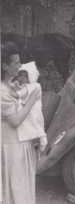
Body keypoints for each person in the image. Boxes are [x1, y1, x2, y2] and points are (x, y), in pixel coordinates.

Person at [1, 41, 41, 204]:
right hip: (12, 147)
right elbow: (15, 121)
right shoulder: (2, 92)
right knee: (16, 191)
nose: (20, 66)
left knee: (21, 189)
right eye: (16, 63)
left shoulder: (10, 85)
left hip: (19, 143)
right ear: (4, 66)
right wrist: (33, 98)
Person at [15, 62, 47, 152]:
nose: (21, 78)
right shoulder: (27, 86)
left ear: (30, 76)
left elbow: (19, 94)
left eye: (24, 76)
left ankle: (40, 145)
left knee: (35, 127)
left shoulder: (33, 86)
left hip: (33, 112)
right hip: (29, 112)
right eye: (20, 75)